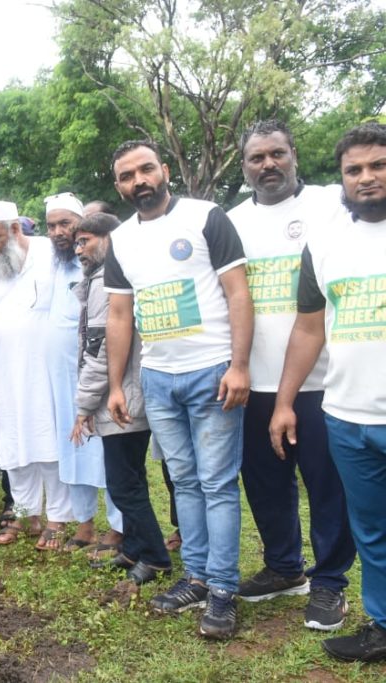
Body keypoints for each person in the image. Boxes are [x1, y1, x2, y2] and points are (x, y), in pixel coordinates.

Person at [105, 140, 252, 640]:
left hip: (212, 372)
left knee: (216, 483)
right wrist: (117, 384)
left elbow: (238, 293)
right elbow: (120, 316)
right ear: (120, 186)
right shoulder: (120, 240)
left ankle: (224, 591)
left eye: (146, 169)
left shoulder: (206, 216)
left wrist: (239, 365)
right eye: (128, 175)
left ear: (165, 170)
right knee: (184, 482)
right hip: (159, 380)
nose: (139, 180)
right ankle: (196, 576)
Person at [228, 120, 355, 631]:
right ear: (245, 166)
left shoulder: (331, 204)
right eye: (257, 158)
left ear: (294, 154)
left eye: (276, 154)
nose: (268, 166)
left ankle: (329, 584)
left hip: (322, 380)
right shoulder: (231, 220)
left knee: (326, 486)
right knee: (263, 481)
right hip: (253, 380)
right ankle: (284, 567)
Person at [270, 122, 386, 662]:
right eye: (354, 170)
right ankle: (382, 627)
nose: (366, 178)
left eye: (377, 166)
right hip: (346, 416)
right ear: (340, 178)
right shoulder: (324, 244)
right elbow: (309, 328)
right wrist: (287, 401)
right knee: (371, 532)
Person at [0, 201, 86, 550]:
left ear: (15, 230)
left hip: (47, 371)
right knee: (12, 444)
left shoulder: (53, 255)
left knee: (48, 441)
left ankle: (58, 517)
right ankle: (25, 513)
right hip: (3, 372)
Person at [71, 212, 171, 584]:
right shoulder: (100, 279)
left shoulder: (106, 283)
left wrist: (83, 406)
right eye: (78, 242)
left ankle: (156, 557)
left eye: (88, 241)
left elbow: (99, 351)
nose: (80, 249)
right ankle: (134, 549)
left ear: (110, 239)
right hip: (123, 395)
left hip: (122, 397)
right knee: (127, 480)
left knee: (125, 483)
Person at [41, 192, 121, 553]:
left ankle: (119, 528)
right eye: (52, 225)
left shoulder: (98, 260)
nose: (59, 232)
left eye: (66, 224)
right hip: (61, 378)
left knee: (108, 452)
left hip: (98, 374)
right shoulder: (50, 265)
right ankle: (84, 523)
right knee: (72, 448)